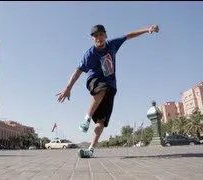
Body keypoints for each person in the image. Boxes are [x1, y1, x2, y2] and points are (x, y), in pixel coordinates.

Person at [56, 24, 159, 157]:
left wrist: (147, 30)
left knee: (101, 122)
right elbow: (78, 71)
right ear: (92, 39)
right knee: (102, 88)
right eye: (96, 36)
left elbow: (129, 35)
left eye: (101, 35)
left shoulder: (112, 44)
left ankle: (90, 149)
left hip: (111, 86)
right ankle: (86, 119)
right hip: (95, 80)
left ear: (105, 35)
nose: (99, 38)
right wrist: (68, 88)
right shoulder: (90, 54)